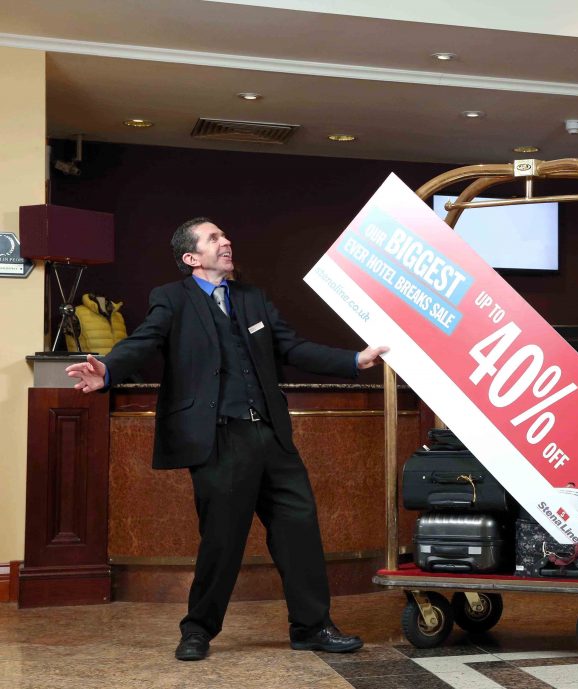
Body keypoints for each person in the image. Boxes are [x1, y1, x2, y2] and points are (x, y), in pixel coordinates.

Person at [66, 217, 388, 661]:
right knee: (222, 540)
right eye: (214, 238)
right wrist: (108, 370)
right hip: (219, 439)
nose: (226, 241)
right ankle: (197, 629)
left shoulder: (252, 298)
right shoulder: (171, 299)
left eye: (225, 235)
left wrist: (354, 358)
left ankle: (312, 627)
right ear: (191, 258)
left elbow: (290, 348)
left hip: (272, 435)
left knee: (299, 531)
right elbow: (143, 341)